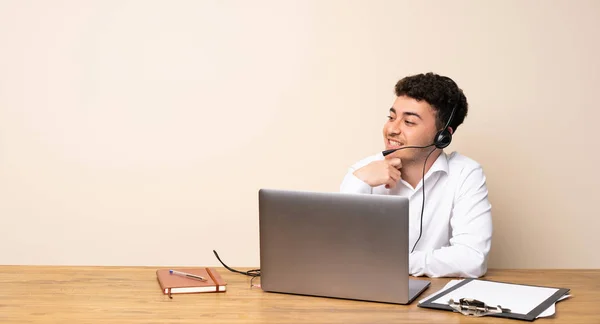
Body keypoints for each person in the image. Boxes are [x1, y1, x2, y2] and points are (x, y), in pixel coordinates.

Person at [340, 72, 492, 278]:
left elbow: (472, 259)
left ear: (443, 136)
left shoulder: (465, 174)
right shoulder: (363, 173)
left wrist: (393, 262)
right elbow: (338, 253)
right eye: (391, 117)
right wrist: (357, 183)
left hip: (432, 299)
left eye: (409, 122)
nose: (392, 129)